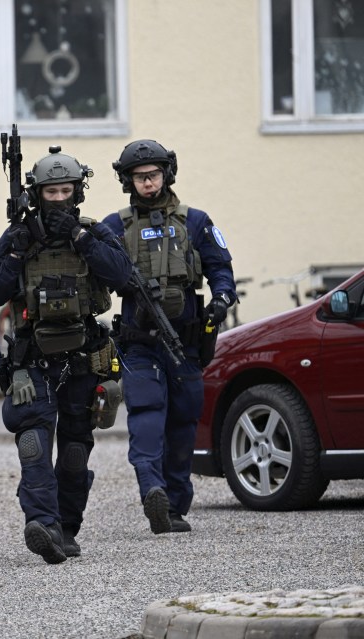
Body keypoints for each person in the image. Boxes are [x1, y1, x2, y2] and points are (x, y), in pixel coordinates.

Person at [0, 146, 131, 563]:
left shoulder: (93, 231)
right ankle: (41, 524)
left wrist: (81, 240)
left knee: (73, 453)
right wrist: (15, 252)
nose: (59, 199)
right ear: (37, 193)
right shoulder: (19, 237)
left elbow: (123, 276)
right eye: (51, 192)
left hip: (83, 357)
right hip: (33, 360)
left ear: (78, 191)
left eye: (66, 190)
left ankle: (67, 527)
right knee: (32, 444)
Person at [101, 139, 236, 535]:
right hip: (140, 342)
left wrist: (222, 299)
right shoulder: (115, 226)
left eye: (154, 175)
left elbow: (220, 267)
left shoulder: (195, 221)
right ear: (129, 181)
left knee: (183, 423)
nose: (148, 183)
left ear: (167, 174)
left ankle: (175, 507)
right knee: (146, 416)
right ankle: (152, 490)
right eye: (140, 177)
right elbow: (96, 275)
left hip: (186, 341)